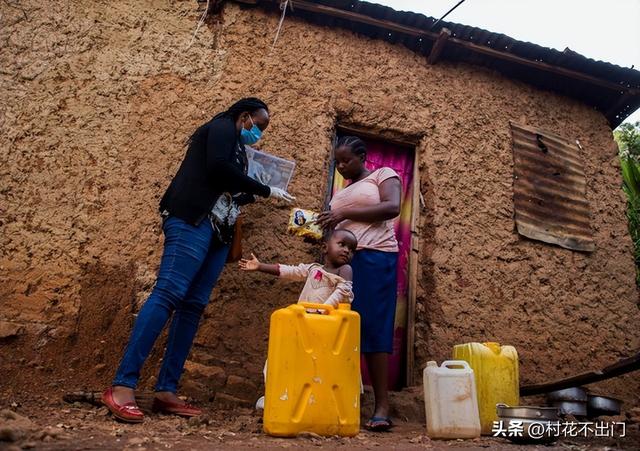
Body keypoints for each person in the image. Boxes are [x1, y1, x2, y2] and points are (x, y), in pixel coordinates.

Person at [102, 97, 295, 423]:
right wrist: (265, 190)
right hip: (193, 219)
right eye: (258, 126)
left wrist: (265, 188)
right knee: (168, 293)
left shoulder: (240, 149)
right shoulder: (221, 127)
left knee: (192, 306)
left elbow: (231, 189)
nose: (258, 133)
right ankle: (122, 386)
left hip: (218, 232)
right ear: (245, 116)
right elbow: (218, 169)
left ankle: (166, 391)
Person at [317, 136, 401, 432]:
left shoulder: (383, 175)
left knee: (374, 326)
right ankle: (340, 400)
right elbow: (338, 226)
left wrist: (344, 213)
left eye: (346, 161)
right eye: (337, 162)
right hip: (344, 263)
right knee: (342, 326)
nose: (340, 167)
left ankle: (382, 406)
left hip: (377, 258)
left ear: (362, 156)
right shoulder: (342, 192)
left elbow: (392, 207)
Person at [239, 228, 358, 409]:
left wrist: (323, 311)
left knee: (318, 365)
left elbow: (343, 291)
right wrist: (260, 266)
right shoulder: (312, 269)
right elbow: (290, 271)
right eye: (342, 244)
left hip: (326, 329)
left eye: (351, 249)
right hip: (303, 325)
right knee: (279, 359)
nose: (347, 250)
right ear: (325, 248)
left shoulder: (345, 270)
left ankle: (315, 404)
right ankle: (275, 393)